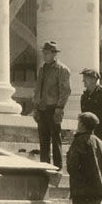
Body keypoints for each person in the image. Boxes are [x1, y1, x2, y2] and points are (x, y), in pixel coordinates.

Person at [33, 40, 71, 169]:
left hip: (54, 108)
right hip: (42, 109)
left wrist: (60, 108)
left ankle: (58, 168)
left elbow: (65, 91)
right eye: (44, 53)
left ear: (54, 54)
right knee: (43, 141)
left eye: (47, 53)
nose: (44, 55)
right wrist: (36, 108)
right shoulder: (42, 69)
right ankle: (45, 168)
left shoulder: (62, 70)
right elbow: (38, 89)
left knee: (56, 140)